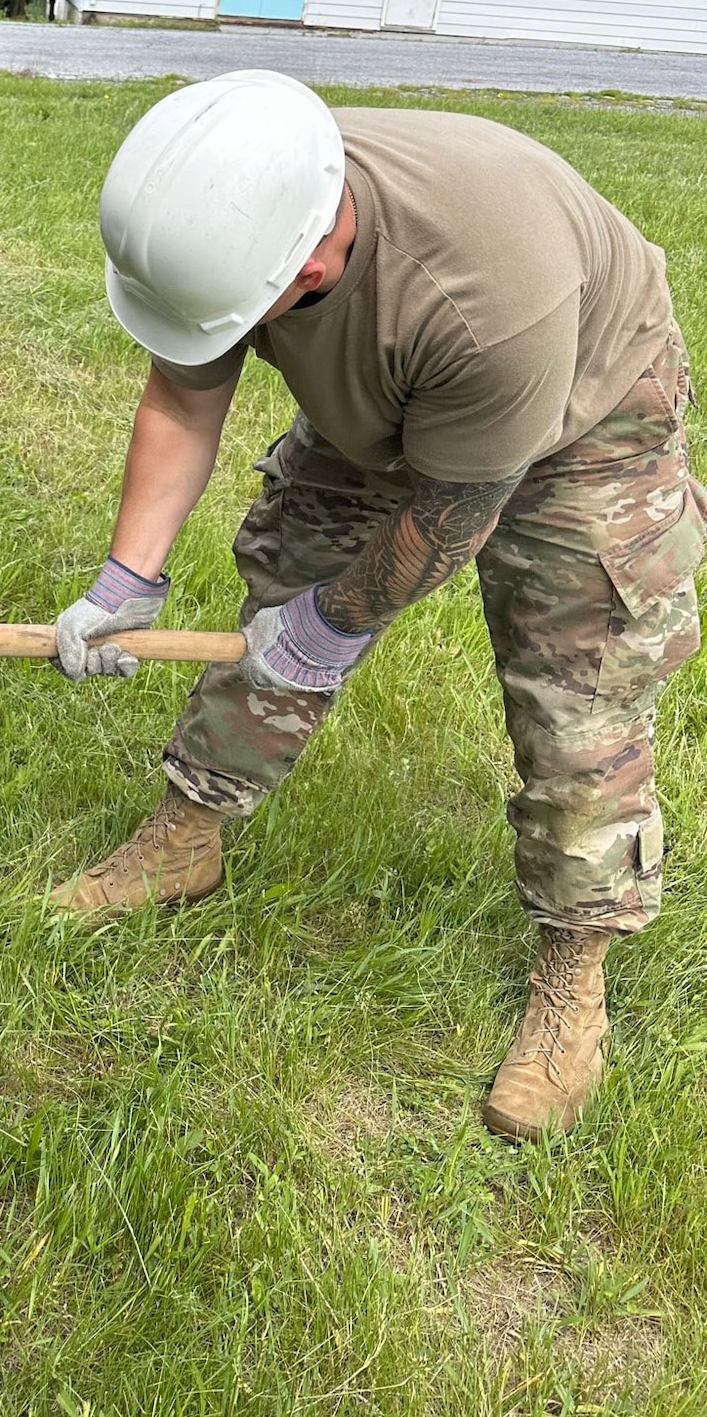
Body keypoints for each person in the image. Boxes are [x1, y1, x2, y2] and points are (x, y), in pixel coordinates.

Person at [49, 69, 702, 1143]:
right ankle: (186, 834)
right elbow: (181, 391)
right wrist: (130, 577)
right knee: (284, 576)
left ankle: (575, 970)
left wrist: (331, 622)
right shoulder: (232, 200)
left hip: (586, 402)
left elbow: (454, 510)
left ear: (312, 264)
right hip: (414, 404)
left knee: (579, 685)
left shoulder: (485, 299)